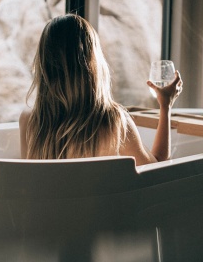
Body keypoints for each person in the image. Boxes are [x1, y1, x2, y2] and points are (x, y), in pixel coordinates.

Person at [19, 14, 183, 165]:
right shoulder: (114, 122)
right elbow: (156, 171)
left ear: (44, 66)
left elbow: (30, 181)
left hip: (50, 198)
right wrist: (165, 106)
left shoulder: (29, 121)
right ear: (93, 63)